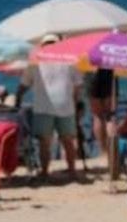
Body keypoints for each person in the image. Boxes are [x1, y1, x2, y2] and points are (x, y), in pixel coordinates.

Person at [16, 34, 84, 181]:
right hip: (66, 106)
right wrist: (76, 101)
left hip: (43, 107)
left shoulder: (35, 62)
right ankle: (72, 171)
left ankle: (45, 172)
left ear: (42, 45)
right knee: (67, 141)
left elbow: (24, 85)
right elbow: (79, 85)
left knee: (44, 143)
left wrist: (17, 98)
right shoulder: (70, 60)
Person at [86, 68, 115, 166]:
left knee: (97, 116)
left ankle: (103, 151)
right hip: (108, 71)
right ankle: (111, 150)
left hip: (93, 72)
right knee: (109, 115)